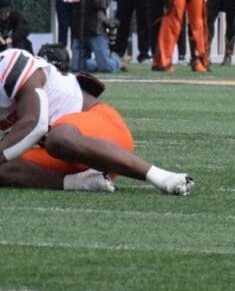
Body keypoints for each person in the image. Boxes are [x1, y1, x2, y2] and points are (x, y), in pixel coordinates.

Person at [0, 48, 193, 195]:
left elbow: (36, 123)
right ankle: (81, 183)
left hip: (102, 135)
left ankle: (161, 176)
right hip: (69, 159)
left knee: (59, 138)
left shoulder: (10, 63)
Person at [60, 0, 121, 73]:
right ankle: (97, 62)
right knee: (76, 68)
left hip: (96, 29)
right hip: (79, 30)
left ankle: (116, 61)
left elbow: (103, 3)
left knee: (106, 68)